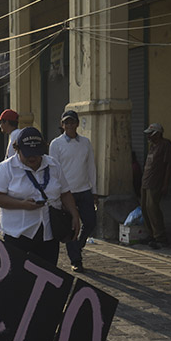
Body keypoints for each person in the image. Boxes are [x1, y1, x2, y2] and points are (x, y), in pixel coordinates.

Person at [0, 127, 81, 265]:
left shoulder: (53, 165)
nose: (32, 158)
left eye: (36, 154)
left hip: (48, 233)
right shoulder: (6, 168)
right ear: (17, 149)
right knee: (19, 279)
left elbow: (65, 192)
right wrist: (22, 205)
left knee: (48, 275)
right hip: (18, 234)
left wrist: (75, 215)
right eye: (27, 154)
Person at [49, 111, 97, 272]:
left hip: (84, 190)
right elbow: (54, 170)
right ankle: (76, 260)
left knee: (90, 222)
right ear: (62, 125)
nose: (69, 125)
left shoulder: (85, 143)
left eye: (72, 122)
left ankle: (79, 245)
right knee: (71, 228)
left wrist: (94, 190)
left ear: (77, 124)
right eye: (66, 123)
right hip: (66, 193)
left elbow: (91, 167)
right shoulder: (56, 144)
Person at [141, 123, 171, 249]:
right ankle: (152, 234)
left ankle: (160, 236)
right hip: (146, 181)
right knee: (145, 208)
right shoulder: (152, 146)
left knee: (153, 208)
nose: (148, 136)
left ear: (157, 133)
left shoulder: (165, 145)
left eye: (150, 133)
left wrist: (165, 183)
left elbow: (169, 165)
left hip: (156, 182)